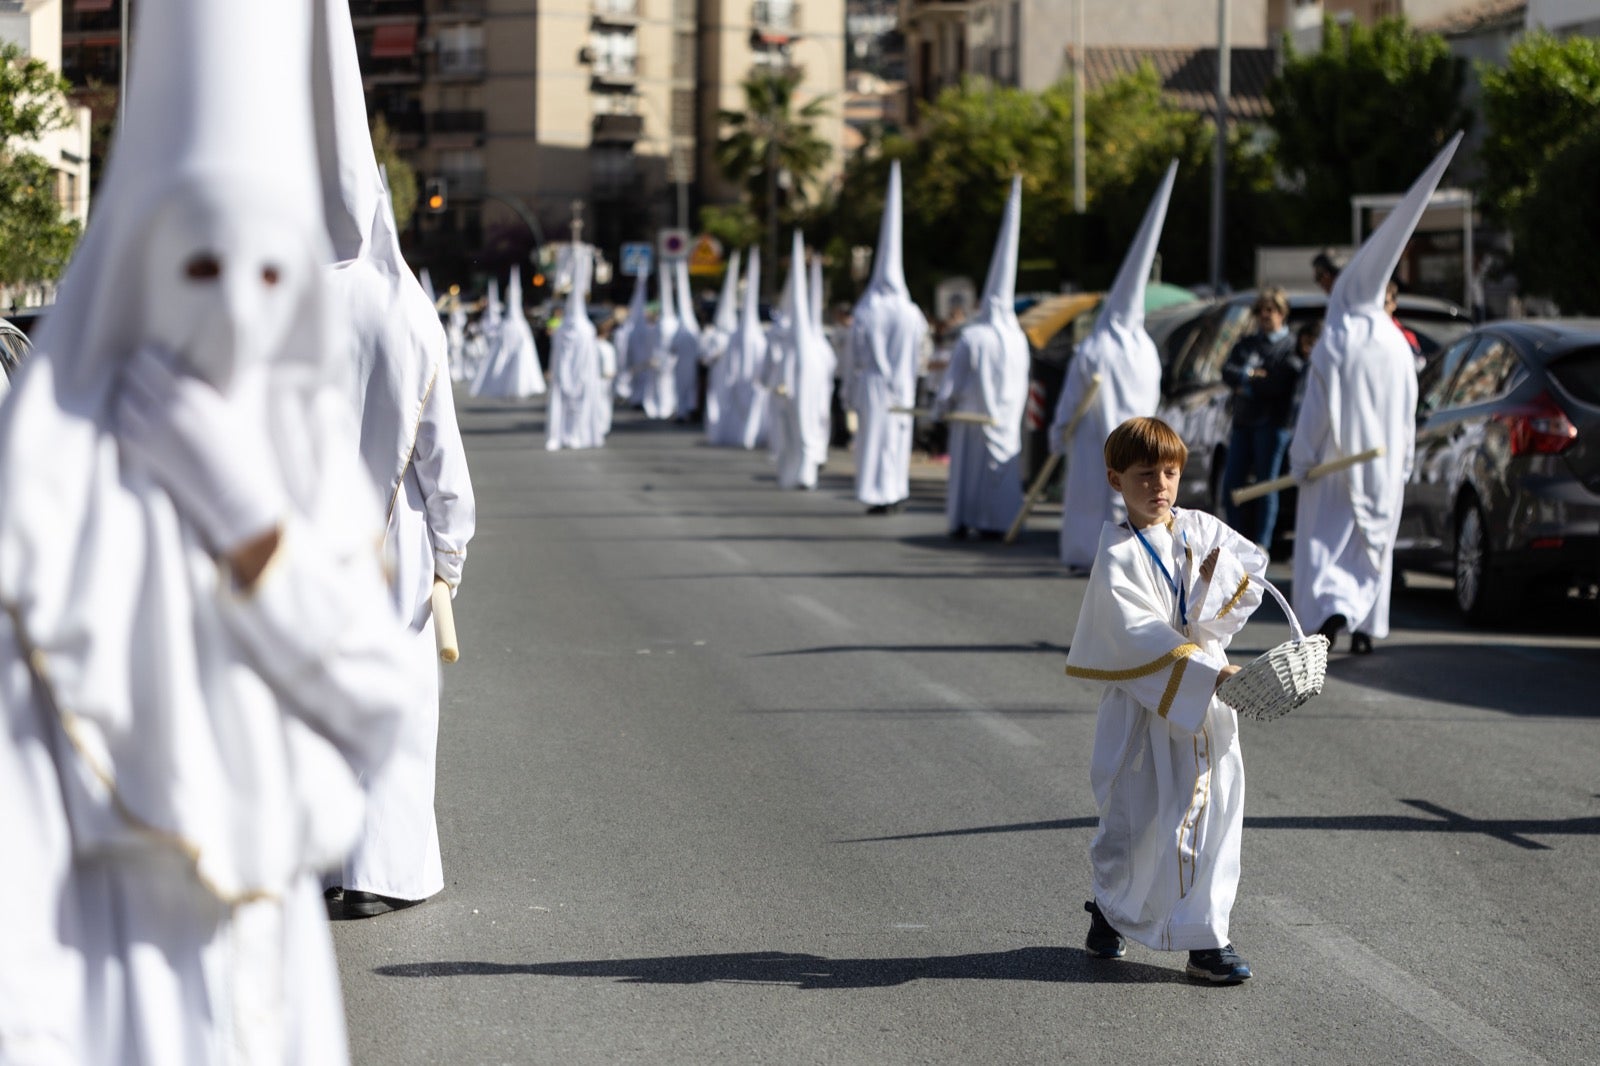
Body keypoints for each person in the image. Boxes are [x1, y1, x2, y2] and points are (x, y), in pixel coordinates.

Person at [0, 0, 418, 1058]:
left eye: (268, 275)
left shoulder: (295, 476)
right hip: (100, 963)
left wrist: (257, 533)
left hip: (272, 961)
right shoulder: (53, 484)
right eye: (198, 270)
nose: (234, 312)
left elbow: (376, 697)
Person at [314, 0, 477, 919]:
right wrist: (450, 553)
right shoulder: (407, 307)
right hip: (391, 543)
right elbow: (439, 455)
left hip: (298, 540)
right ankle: (383, 869)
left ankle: (327, 860)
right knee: (398, 713)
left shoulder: (283, 296)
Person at [1065, 416, 1272, 984]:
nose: (1159, 484)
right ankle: (1109, 907)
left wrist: (1215, 583)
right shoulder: (1117, 557)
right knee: (1135, 820)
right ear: (1115, 478)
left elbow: (1251, 567)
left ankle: (1206, 938)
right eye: (1144, 474)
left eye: (1171, 472)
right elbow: (1137, 635)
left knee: (1213, 813)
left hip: (1207, 702)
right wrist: (1211, 668)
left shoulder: (1199, 527)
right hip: (1146, 702)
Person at [1292, 134, 1462, 656]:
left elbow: (1317, 409)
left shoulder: (1335, 340)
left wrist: (1302, 456)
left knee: (1327, 540)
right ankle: (1365, 621)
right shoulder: (1396, 342)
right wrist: (1404, 461)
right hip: (1382, 463)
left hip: (1336, 463)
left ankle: (1327, 614)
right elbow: (1408, 411)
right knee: (1372, 546)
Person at [1053, 161, 1175, 570]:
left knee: (1092, 500)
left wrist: (1059, 431)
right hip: (1138, 446)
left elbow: (1072, 397)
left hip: (1095, 445)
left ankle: (1086, 555)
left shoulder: (1095, 346)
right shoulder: (1146, 348)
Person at [933, 176, 1029, 539]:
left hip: (972, 423)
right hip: (1003, 423)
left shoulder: (973, 336)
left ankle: (966, 521)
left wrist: (941, 409)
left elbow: (952, 382)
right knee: (999, 476)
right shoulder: (1018, 338)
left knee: (969, 477)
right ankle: (1000, 523)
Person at [850, 160, 929, 514]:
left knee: (872, 440)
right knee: (897, 441)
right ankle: (895, 490)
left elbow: (853, 354)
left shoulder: (866, 311)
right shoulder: (912, 313)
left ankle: (874, 492)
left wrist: (848, 390)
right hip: (903, 385)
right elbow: (924, 350)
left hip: (872, 385)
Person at [1219, 286, 1303, 552]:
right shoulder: (1248, 343)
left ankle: (1262, 543)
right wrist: (1254, 377)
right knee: (1232, 484)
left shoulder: (1289, 346)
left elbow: (1279, 384)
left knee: (1267, 484)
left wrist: (1248, 381)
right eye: (1261, 311)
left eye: (1272, 310)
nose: (1265, 316)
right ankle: (1235, 540)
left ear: (1282, 313)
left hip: (1273, 423)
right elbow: (1228, 372)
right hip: (1244, 422)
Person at [764, 232, 834, 490]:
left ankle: (807, 467)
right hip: (793, 392)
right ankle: (802, 467)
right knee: (798, 429)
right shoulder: (811, 343)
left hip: (800, 393)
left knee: (802, 428)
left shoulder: (800, 341)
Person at [546, 247, 605, 451]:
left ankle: (577, 434)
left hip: (580, 375)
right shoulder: (572, 329)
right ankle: (564, 434)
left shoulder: (580, 330)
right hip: (567, 375)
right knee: (564, 404)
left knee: (579, 405)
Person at [700, 250, 742, 445]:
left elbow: (705, 357)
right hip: (721, 373)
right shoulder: (725, 336)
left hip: (727, 375)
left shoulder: (728, 336)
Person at [1385, 280, 1424, 372]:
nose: (1380, 309)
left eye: (1385, 303)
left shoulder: (1405, 337)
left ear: (1394, 304)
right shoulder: (1361, 334)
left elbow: (1418, 368)